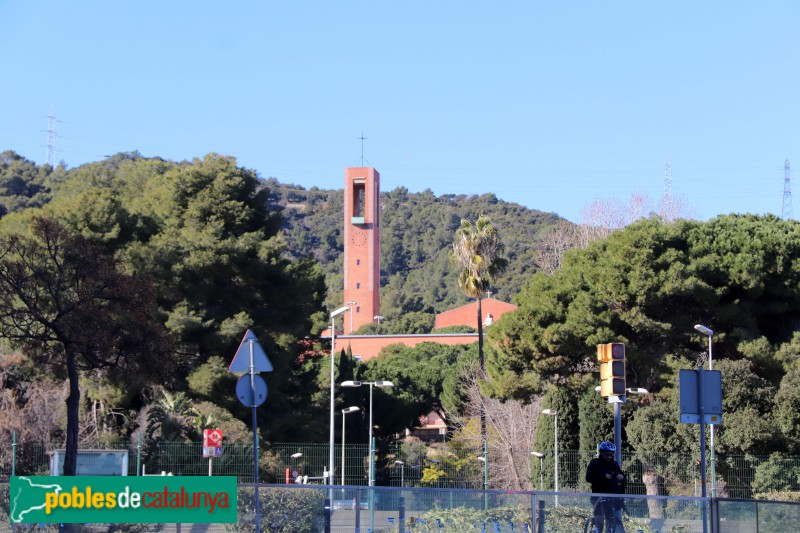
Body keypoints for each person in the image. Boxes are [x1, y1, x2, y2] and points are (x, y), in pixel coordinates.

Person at [585, 441, 626, 533]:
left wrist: (622, 477)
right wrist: (603, 477)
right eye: (607, 455)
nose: (609, 457)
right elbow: (588, 477)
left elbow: (620, 476)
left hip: (611, 496)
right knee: (599, 521)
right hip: (598, 496)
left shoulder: (614, 464)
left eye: (611, 455)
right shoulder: (595, 462)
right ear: (601, 453)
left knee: (610, 520)